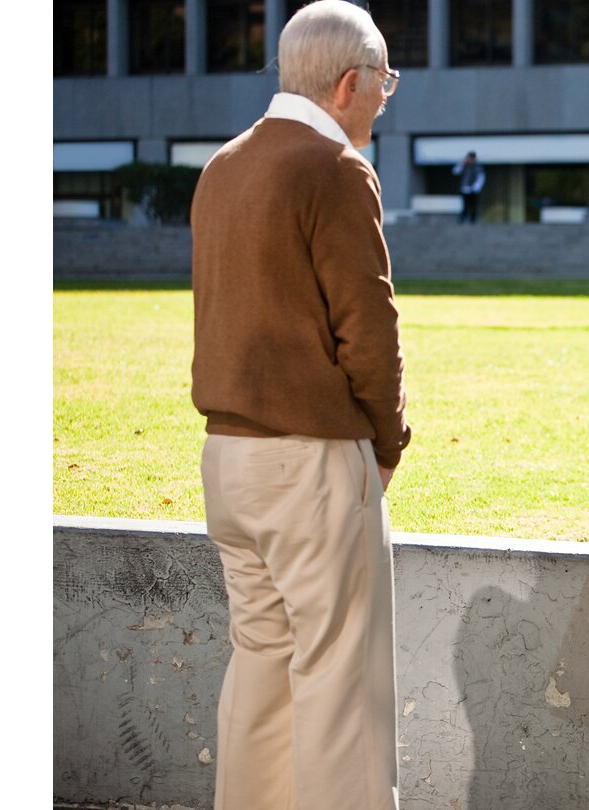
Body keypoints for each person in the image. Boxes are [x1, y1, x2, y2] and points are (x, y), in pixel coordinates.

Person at [188, 2, 409, 808]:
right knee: (340, 683)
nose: (387, 97)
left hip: (228, 459)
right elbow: (369, 328)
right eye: (385, 82)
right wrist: (387, 445)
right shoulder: (334, 167)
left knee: (261, 671)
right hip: (311, 457)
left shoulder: (223, 165)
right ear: (350, 82)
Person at [452, 151, 485, 223]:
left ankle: (473, 220)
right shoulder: (464, 165)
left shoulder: (478, 167)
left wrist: (476, 187)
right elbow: (455, 171)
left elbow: (481, 178)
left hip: (473, 190)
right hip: (464, 189)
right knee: (465, 205)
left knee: (474, 205)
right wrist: (462, 163)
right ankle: (463, 219)